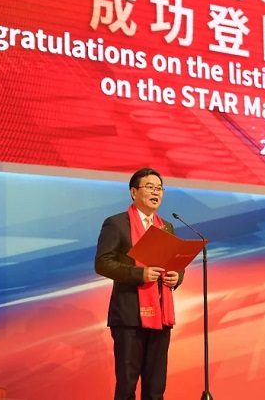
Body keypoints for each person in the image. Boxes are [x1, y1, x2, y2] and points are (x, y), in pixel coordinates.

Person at [95, 168, 184, 400]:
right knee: (127, 384)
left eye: (159, 188)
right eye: (150, 187)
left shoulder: (166, 226)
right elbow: (102, 263)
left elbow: (174, 262)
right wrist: (139, 274)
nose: (156, 192)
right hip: (129, 316)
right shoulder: (116, 224)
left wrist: (177, 276)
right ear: (133, 192)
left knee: (156, 386)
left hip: (160, 316)